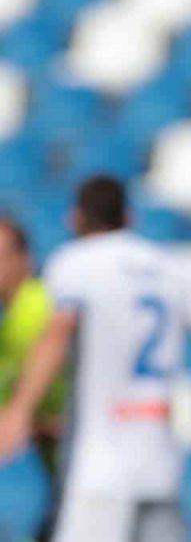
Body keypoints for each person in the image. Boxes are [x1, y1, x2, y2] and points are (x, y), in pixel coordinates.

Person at [0, 176, 188, 541]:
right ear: (129, 218)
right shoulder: (165, 267)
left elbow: (60, 347)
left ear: (74, 220)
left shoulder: (60, 284)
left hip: (96, 462)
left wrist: (23, 415)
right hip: (154, 454)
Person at [0, 216, 65, 541]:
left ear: (24, 259)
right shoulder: (10, 321)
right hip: (57, 472)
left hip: (89, 464)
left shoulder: (42, 308)